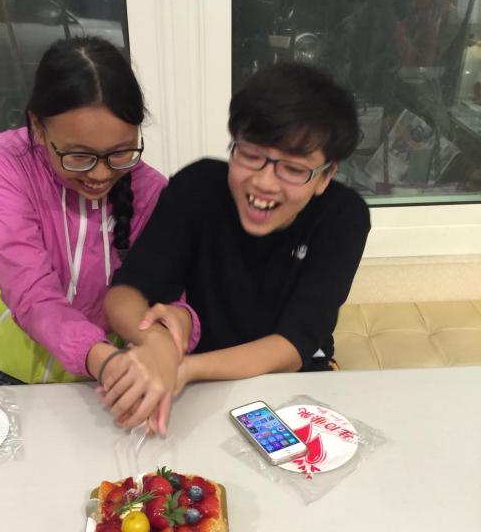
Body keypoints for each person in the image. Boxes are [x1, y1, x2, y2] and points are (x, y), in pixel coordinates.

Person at [101, 61, 370, 430]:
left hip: (288, 382)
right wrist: (157, 346)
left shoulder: (343, 217)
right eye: (250, 154)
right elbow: (125, 293)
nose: (265, 183)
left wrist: (184, 368)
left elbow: (292, 347)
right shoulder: (197, 187)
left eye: (292, 169)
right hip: (194, 385)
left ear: (325, 177)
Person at [0, 37, 198, 407]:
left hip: (97, 379)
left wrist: (174, 327)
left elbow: (170, 294)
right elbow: (30, 289)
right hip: (3, 369)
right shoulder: (5, 162)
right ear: (37, 127)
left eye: (120, 153)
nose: (101, 174)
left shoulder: (151, 190)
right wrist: (103, 360)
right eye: (79, 156)